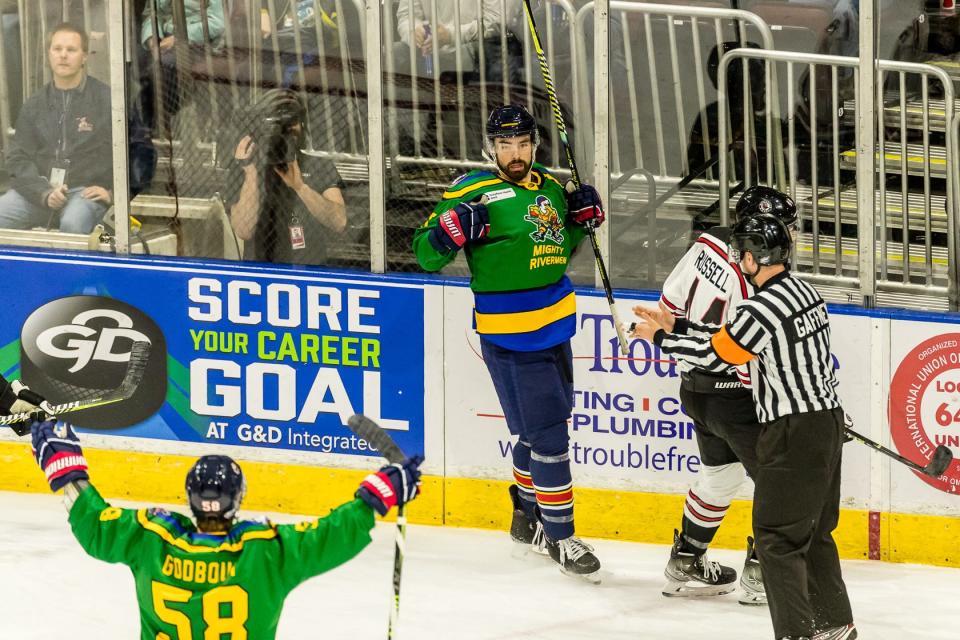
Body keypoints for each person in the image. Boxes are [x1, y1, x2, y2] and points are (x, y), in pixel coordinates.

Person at [630, 214, 856, 640]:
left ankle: (798, 635)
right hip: (826, 421)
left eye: (743, 256)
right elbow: (730, 337)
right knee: (814, 532)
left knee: (776, 540)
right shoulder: (806, 293)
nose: (741, 263)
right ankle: (835, 625)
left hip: (792, 432)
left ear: (753, 258)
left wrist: (659, 338)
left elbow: (719, 355)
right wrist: (675, 325)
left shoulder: (761, 306)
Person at [412, 104, 605, 582]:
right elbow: (424, 255)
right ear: (490, 148)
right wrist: (447, 232)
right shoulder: (469, 191)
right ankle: (561, 537)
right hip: (512, 337)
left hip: (558, 326)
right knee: (550, 437)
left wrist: (583, 219)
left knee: (538, 431)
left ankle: (525, 516)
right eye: (504, 145)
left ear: (534, 145)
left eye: (522, 144)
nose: (514, 154)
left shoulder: (553, 187)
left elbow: (562, 247)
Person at [28, 417, 422, 639]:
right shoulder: (266, 552)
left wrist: (63, 469)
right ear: (239, 497)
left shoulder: (149, 538)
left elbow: (95, 526)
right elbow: (331, 535)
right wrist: (379, 495)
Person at [657, 186, 797, 604]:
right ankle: (762, 574)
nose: (787, 240)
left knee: (721, 476)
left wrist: (689, 354)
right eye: (781, 229)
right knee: (777, 481)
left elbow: (668, 305)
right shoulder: (757, 279)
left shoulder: (706, 243)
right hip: (736, 396)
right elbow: (749, 356)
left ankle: (687, 559)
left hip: (695, 389)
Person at [0, 23, 112, 234]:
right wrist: (44, 193)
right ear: (49, 54)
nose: (63, 55)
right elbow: (17, 158)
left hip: (84, 193)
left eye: (71, 50)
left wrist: (113, 193)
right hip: (40, 192)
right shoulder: (34, 104)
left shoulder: (106, 100)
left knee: (73, 224)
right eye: (57, 49)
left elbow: (138, 150)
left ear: (84, 56)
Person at [226, 88, 347, 265]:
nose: (284, 130)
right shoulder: (245, 168)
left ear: (302, 125)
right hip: (262, 270)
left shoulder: (318, 165)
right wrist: (250, 172)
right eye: (277, 123)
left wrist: (300, 187)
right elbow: (244, 230)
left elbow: (339, 222)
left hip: (310, 270)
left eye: (291, 122)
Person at [139, 0, 225, 132]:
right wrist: (152, 38)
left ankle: (164, 129)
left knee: (161, 69)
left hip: (201, 42)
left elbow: (217, 22)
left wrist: (178, 38)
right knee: (137, 67)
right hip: (164, 41)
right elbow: (151, 13)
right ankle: (149, 130)